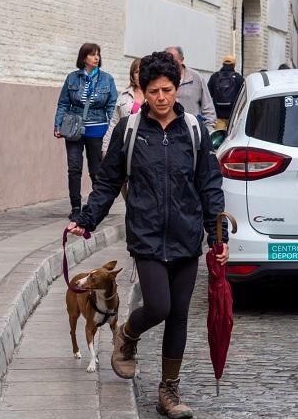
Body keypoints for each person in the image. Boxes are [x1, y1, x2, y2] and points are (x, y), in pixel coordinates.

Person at [67, 51, 228, 419]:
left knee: (179, 314)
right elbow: (108, 180)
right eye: (153, 90)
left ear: (177, 88)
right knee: (158, 305)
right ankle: (127, 334)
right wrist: (87, 219)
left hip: (187, 237)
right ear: (142, 89)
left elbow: (209, 185)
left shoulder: (194, 130)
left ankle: (169, 392)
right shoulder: (131, 130)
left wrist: (218, 239)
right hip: (147, 235)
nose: (160, 97)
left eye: (167, 90)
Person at [54, 43, 118, 220]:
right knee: (74, 168)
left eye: (98, 54)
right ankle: (75, 207)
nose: (96, 58)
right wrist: (58, 125)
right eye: (92, 55)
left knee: (96, 170)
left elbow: (112, 106)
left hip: (97, 129)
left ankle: (97, 207)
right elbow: (63, 103)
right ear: (84, 58)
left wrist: (111, 132)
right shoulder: (72, 78)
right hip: (74, 128)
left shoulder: (107, 79)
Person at [165, 46, 216, 131]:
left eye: (174, 60)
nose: (170, 64)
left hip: (192, 132)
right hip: (168, 132)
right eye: (167, 61)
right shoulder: (161, 79)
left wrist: (207, 131)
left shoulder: (196, 78)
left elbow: (208, 109)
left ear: (182, 59)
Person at [102, 58, 144, 155]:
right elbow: (114, 122)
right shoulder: (124, 95)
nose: (140, 75)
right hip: (124, 143)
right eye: (137, 72)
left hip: (143, 146)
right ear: (132, 75)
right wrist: (105, 147)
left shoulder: (153, 95)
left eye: (143, 71)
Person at [206, 54, 244, 131]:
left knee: (219, 137)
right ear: (234, 65)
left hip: (218, 114)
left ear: (223, 64)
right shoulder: (238, 78)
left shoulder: (215, 77)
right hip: (233, 115)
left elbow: (208, 95)